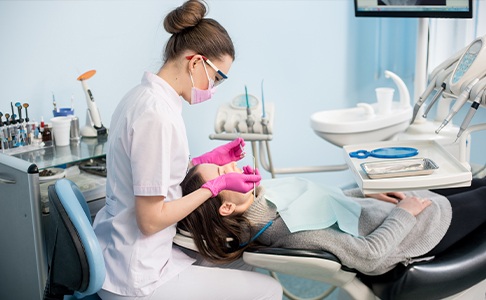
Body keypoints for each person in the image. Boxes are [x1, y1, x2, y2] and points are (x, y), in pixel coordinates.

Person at [92, 1, 282, 299]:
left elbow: (152, 172)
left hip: (120, 252)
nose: (214, 87)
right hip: (138, 274)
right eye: (217, 77)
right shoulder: (157, 116)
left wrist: (207, 161)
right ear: (195, 63)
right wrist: (214, 186)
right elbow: (150, 219)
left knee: (240, 266)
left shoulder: (141, 97)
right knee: (270, 289)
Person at [179, 162, 486, 276]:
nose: (230, 165)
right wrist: (405, 214)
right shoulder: (286, 230)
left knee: (473, 179)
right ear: (226, 208)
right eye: (221, 173)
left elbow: (320, 202)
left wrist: (360, 194)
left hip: (391, 208)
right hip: (421, 229)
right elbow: (369, 256)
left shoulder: (265, 198)